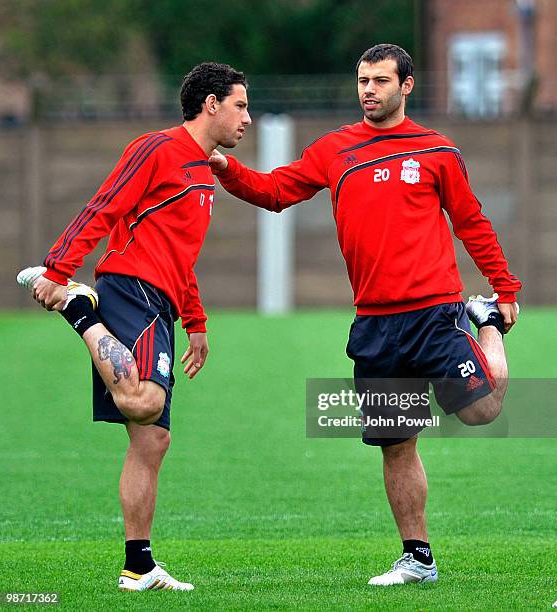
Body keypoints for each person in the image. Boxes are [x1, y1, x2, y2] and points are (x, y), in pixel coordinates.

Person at [208, 44, 521, 586]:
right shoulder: (335, 149)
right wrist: (227, 169)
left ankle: (485, 321)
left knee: (484, 410)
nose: (368, 90)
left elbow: (471, 221)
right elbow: (278, 190)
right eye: (362, 80)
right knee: (396, 444)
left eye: (379, 80)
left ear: (406, 86)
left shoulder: (436, 150)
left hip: (434, 312)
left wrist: (504, 289)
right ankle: (417, 558)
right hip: (375, 324)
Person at [17, 61, 252, 592]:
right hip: (131, 288)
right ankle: (80, 310)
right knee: (141, 403)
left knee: (153, 440)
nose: (248, 118)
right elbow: (104, 206)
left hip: (162, 301)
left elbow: (181, 255)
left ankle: (138, 567)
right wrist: (59, 272)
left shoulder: (202, 171)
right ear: (210, 104)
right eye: (240, 105)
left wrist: (196, 322)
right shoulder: (156, 148)